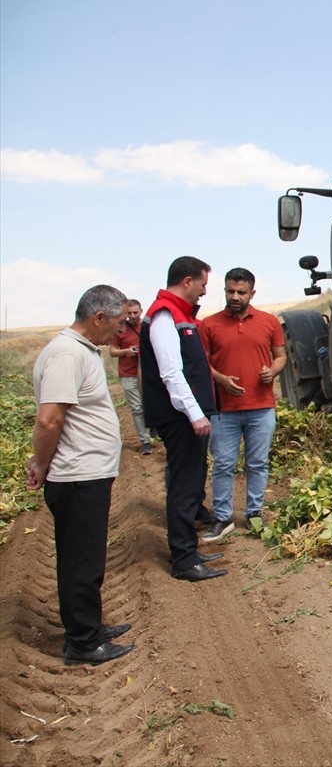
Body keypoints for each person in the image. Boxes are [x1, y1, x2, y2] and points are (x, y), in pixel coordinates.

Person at [26, 284, 136, 665]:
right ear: (98, 317)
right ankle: (83, 643)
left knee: (87, 557)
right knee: (80, 562)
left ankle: (89, 626)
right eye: (119, 322)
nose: (121, 331)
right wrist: (40, 464)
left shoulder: (79, 351)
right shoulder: (66, 354)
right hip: (76, 475)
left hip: (86, 473)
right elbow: (49, 418)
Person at [140, 256, 227, 582]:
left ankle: (189, 550)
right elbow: (171, 373)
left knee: (191, 486)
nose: (205, 291)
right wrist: (194, 414)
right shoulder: (165, 315)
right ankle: (184, 560)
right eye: (203, 284)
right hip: (180, 418)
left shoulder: (179, 314)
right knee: (183, 487)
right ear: (187, 281)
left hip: (188, 417)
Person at [199, 268, 286, 541]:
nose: (234, 297)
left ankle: (254, 514)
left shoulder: (269, 322)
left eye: (241, 292)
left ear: (252, 293)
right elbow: (202, 364)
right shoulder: (209, 325)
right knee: (223, 464)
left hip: (261, 408)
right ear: (224, 291)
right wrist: (221, 379)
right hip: (224, 411)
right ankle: (223, 518)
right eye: (230, 291)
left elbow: (281, 356)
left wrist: (272, 371)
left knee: (257, 463)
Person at [109, 299, 152, 455]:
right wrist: (127, 351)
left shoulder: (149, 325)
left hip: (148, 373)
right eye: (129, 313)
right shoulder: (120, 329)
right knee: (137, 408)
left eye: (135, 312)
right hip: (128, 374)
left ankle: (154, 430)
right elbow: (112, 351)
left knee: (150, 404)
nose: (133, 316)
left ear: (141, 311)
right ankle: (145, 441)